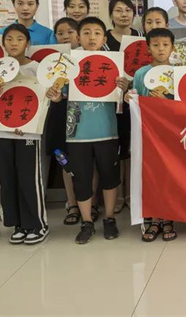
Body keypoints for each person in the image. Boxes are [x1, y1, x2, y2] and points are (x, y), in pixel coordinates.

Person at [46, 17, 130, 244]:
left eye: (97, 33)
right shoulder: (68, 65)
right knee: (81, 179)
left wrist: (125, 88)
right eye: (86, 33)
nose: (92, 37)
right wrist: (56, 96)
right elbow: (60, 96)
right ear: (78, 37)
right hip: (77, 134)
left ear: (104, 38)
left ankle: (109, 218)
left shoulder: (115, 63)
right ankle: (86, 222)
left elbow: (124, 99)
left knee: (110, 177)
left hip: (107, 130)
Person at [0, 24, 49, 245]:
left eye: (19, 39)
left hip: (27, 131)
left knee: (28, 178)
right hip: (1, 129)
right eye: (9, 39)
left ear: (28, 43)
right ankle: (18, 224)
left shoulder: (37, 68)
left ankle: (37, 224)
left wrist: (30, 121)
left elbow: (48, 98)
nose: (14, 43)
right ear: (3, 43)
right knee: (7, 178)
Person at [129, 27, 177, 243]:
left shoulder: (178, 73)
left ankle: (168, 217)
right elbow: (136, 99)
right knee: (150, 175)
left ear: (172, 48)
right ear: (148, 48)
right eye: (156, 45)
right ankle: (154, 219)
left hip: (170, 134)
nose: (161, 49)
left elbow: (183, 106)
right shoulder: (141, 74)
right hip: (147, 133)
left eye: (165, 45)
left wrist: (166, 101)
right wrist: (131, 99)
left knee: (169, 175)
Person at [102, 0, 142, 214]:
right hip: (110, 101)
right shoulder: (104, 40)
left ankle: (130, 193)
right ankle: (117, 194)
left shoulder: (141, 38)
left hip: (135, 101)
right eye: (118, 10)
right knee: (116, 149)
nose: (124, 14)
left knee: (132, 147)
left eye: (128, 10)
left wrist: (132, 85)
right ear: (111, 15)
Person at [45, 17, 84, 226]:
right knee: (65, 160)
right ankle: (72, 203)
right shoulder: (51, 61)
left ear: (78, 35)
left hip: (84, 113)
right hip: (60, 111)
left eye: (70, 32)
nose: (65, 36)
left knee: (86, 159)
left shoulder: (89, 57)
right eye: (60, 33)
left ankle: (90, 203)